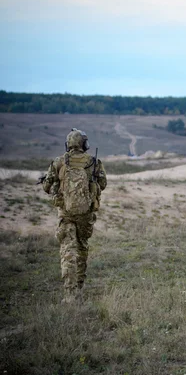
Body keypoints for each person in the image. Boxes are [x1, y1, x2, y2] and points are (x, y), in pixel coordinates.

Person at [41, 128, 107, 303]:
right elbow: (103, 183)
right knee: (82, 246)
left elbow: (47, 187)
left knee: (68, 250)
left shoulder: (59, 162)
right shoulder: (94, 162)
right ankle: (79, 285)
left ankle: (70, 294)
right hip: (85, 213)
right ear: (84, 144)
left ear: (68, 144)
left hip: (66, 213)